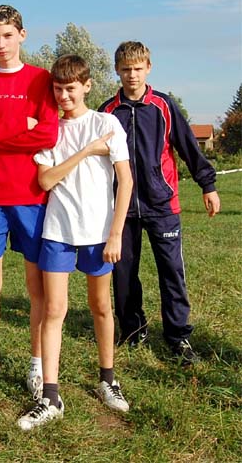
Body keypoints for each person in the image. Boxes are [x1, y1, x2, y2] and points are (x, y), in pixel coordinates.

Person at [17, 54, 133, 430]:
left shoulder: (106, 123)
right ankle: (50, 396)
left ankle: (108, 379)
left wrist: (115, 233)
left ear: (86, 86)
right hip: (58, 233)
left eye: (70, 88)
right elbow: (46, 180)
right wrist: (84, 151)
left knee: (101, 306)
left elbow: (126, 181)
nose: (64, 96)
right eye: (58, 89)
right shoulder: (50, 129)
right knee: (54, 310)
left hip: (99, 235)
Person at [99, 41, 221, 364]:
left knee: (171, 272)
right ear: (117, 70)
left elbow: (188, 146)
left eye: (138, 68)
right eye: (126, 69)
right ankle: (132, 330)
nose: (132, 75)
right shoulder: (107, 112)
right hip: (122, 209)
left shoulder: (163, 106)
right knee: (124, 274)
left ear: (148, 68)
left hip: (162, 205)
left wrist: (207, 185)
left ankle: (178, 336)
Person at [0, 5, 59, 398]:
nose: (0, 44)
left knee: (37, 286)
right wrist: (20, 124)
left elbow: (48, 135)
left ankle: (37, 365)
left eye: (7, 35)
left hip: (31, 196)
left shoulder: (41, 79)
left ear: (22, 34)